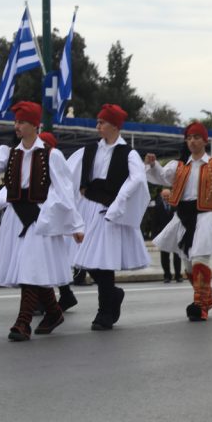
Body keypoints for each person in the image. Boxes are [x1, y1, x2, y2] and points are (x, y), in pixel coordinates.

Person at [0, 102, 84, 341]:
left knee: (30, 268)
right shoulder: (8, 153)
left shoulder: (51, 155)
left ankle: (23, 323)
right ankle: (54, 312)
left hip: (41, 219)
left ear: (35, 125)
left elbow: (64, 191)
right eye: (16, 121)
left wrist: (75, 225)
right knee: (31, 269)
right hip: (16, 218)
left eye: (22, 122)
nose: (17, 126)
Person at [67, 104, 150, 331]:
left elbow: (138, 179)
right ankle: (113, 295)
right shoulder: (90, 150)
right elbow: (72, 175)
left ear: (114, 125)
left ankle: (105, 312)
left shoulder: (128, 153)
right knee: (84, 260)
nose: (98, 126)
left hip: (111, 210)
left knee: (104, 264)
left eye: (102, 122)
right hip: (91, 207)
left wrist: (119, 202)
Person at [144, 122, 212, 321]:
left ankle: (200, 305)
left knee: (199, 260)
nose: (192, 141)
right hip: (185, 217)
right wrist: (153, 164)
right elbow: (161, 176)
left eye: (196, 137)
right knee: (187, 264)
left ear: (205, 140)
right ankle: (206, 298)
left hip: (208, 215)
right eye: (189, 138)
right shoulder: (179, 166)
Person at [38, 131, 79, 312]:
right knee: (46, 258)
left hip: (48, 214)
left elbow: (63, 188)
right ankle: (63, 295)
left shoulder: (53, 156)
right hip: (43, 213)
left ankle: (55, 298)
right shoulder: (41, 159)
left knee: (46, 258)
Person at [152, 188, 182, 282]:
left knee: (177, 256)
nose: (166, 198)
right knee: (164, 257)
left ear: (171, 196)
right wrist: (155, 236)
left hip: (175, 235)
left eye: (168, 196)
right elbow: (154, 222)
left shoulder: (177, 206)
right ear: (161, 196)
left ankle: (178, 275)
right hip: (163, 235)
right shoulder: (157, 207)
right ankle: (167, 276)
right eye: (164, 196)